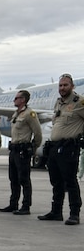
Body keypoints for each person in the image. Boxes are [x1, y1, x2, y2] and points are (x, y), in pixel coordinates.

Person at [38, 74, 84, 225]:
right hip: (55, 147)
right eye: (60, 85)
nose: (62, 88)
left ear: (72, 86)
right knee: (56, 181)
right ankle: (56, 212)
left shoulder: (79, 102)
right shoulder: (59, 103)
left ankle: (74, 213)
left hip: (69, 147)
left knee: (70, 181)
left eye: (65, 85)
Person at [0, 90, 42, 215]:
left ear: (23, 100)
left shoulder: (30, 114)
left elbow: (38, 133)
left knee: (24, 179)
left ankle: (26, 206)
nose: (14, 100)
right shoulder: (16, 114)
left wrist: (33, 149)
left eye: (17, 98)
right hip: (14, 150)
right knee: (13, 178)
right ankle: (13, 204)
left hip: (23, 151)